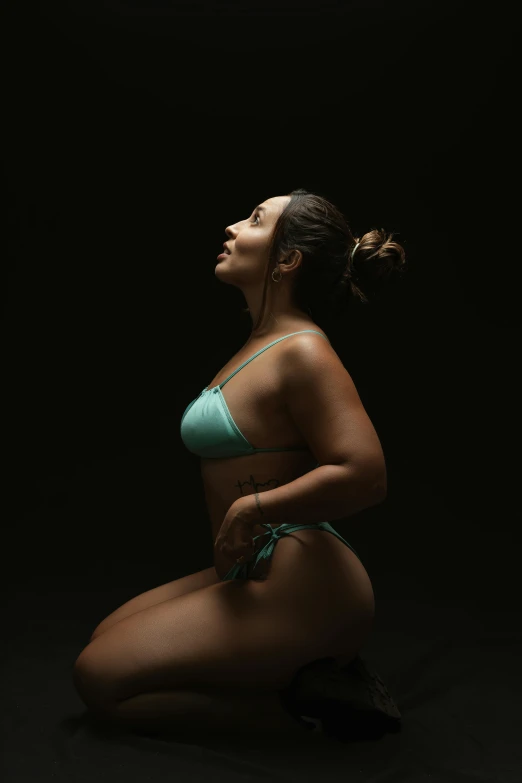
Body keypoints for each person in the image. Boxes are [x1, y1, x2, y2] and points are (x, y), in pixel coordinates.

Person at [73, 188, 406, 740]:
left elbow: (366, 474)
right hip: (253, 568)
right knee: (103, 639)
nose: (231, 227)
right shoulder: (260, 343)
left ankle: (309, 717)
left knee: (98, 679)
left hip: (305, 579)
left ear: (287, 260)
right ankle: (299, 680)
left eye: (254, 220)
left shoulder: (303, 349)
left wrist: (252, 508)